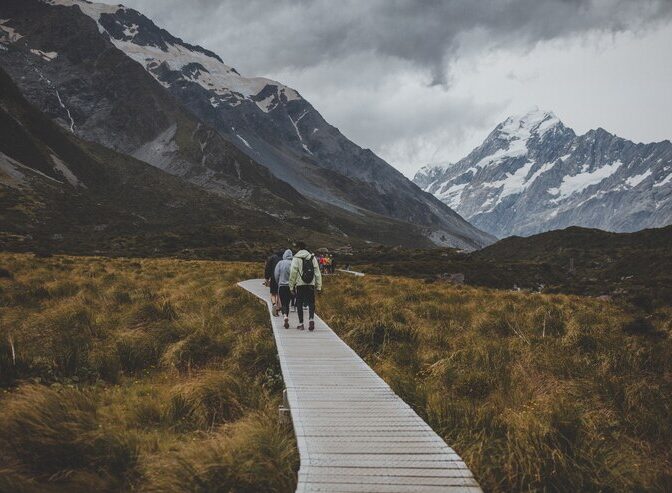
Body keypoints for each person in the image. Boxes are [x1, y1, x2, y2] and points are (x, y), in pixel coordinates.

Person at [289, 241, 322, 331]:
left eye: (296, 247)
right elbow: (317, 273)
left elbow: (293, 273)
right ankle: (311, 319)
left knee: (299, 302)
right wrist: (318, 287)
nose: (295, 249)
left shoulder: (296, 258)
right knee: (311, 302)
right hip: (311, 284)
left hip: (300, 284)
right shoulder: (312, 257)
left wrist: (291, 286)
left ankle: (301, 324)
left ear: (299, 248)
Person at [274, 249, 293, 329]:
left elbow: (276, 274)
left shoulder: (280, 263)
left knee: (283, 303)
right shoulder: (293, 263)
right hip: (290, 286)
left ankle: (284, 316)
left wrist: (278, 282)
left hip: (282, 286)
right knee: (287, 303)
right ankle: (286, 316)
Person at [264, 250, 283, 315]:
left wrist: (267, 278)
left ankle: (274, 304)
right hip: (281, 279)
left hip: (273, 278)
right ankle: (279, 306)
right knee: (279, 293)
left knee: (273, 293)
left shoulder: (272, 258)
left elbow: (267, 268)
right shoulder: (284, 259)